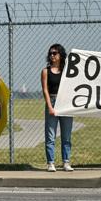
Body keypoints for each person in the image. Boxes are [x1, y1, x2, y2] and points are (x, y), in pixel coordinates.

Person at [41, 43, 74, 172]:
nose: (52, 56)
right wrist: (50, 106)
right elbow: (45, 90)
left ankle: (66, 162)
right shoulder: (45, 71)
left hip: (65, 103)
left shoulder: (67, 71)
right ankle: (51, 162)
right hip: (53, 101)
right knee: (50, 136)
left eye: (55, 53)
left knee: (66, 136)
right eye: (50, 53)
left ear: (61, 55)